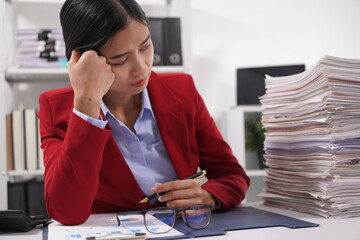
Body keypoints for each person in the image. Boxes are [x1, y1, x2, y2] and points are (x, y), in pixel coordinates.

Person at [37, 0, 250, 225]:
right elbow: (66, 212)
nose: (141, 67)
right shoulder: (56, 109)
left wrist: (207, 196)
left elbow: (233, 177)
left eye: (145, 46)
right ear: (83, 60)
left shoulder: (182, 90)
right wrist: (87, 104)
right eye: (120, 60)